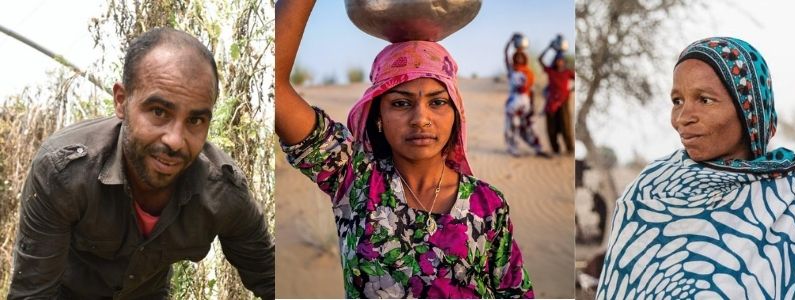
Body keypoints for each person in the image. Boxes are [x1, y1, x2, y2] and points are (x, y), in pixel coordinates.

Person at [277, 1, 533, 298]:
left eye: (438, 102)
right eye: (400, 103)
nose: (421, 119)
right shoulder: (354, 180)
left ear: (456, 113)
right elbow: (276, 90)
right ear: (378, 116)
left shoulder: (487, 205)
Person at [8, 28, 274, 299]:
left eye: (195, 120)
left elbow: (275, 279)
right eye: (159, 112)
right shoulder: (64, 173)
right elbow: (32, 294)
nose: (175, 141)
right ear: (122, 101)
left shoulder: (223, 193)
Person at [596, 37, 795, 299]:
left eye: (704, 100)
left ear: (749, 109)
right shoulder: (647, 194)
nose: (683, 118)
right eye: (677, 101)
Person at [504, 34, 547, 157]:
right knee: (513, 126)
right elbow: (505, 55)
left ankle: (538, 148)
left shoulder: (529, 72)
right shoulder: (511, 70)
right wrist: (510, 42)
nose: (519, 59)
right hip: (513, 104)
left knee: (530, 126)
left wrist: (532, 106)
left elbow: (531, 90)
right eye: (516, 57)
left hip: (526, 103)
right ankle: (513, 148)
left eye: (521, 57)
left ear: (525, 59)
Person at [538, 42, 575, 155]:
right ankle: (555, 149)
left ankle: (570, 149)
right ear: (555, 61)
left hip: (563, 103)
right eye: (557, 60)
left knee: (566, 127)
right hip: (551, 103)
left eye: (561, 60)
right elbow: (540, 59)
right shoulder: (551, 71)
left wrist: (571, 90)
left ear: (564, 62)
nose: (559, 62)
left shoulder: (568, 72)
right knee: (551, 129)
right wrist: (549, 47)